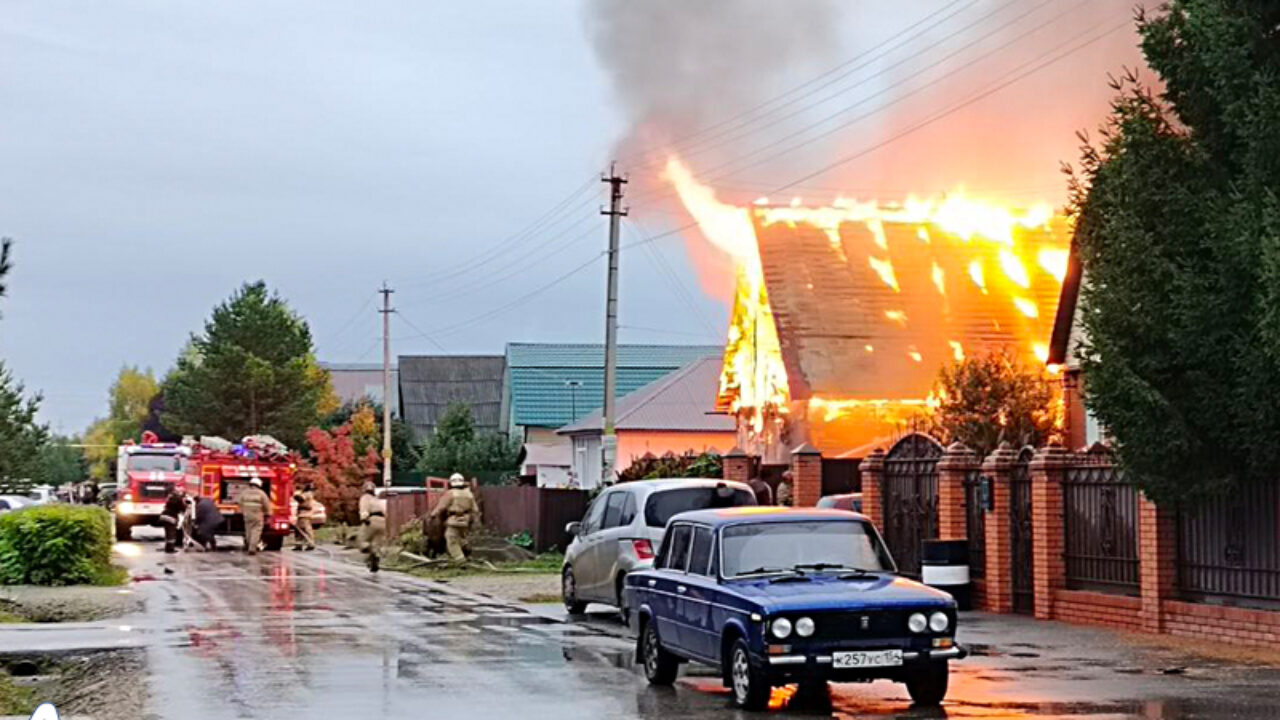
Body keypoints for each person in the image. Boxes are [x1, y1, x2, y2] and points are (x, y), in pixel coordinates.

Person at [430, 473, 479, 563]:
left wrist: (433, 514)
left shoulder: (450, 493)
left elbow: (441, 506)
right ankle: (467, 550)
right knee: (461, 538)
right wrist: (474, 520)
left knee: (451, 539)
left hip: (454, 520)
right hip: (465, 521)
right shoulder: (469, 494)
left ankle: (460, 561)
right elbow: (475, 509)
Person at [237, 478, 272, 555]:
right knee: (256, 531)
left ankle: (249, 544)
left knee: (248, 531)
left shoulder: (244, 493)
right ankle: (252, 548)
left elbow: (238, 501)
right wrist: (268, 514)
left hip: (247, 515)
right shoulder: (261, 493)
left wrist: (242, 510)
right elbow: (266, 504)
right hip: (257, 515)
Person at [358, 481, 387, 572]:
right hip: (383, 522)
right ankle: (376, 556)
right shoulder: (377, 500)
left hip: (372, 520)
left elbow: (364, 509)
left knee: (363, 540)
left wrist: (364, 519)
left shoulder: (365, 498)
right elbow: (385, 511)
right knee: (377, 542)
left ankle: (371, 554)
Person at [160, 487, 185, 554]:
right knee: (171, 533)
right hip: (170, 517)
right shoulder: (178, 499)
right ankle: (170, 549)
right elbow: (182, 508)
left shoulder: (170, 498)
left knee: (168, 533)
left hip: (164, 515)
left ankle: (167, 547)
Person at [292, 483, 316, 551]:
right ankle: (299, 545)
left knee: (303, 530)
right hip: (306, 514)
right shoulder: (311, 494)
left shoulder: (307, 494)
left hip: (304, 514)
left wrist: (295, 494)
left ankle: (310, 543)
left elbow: (300, 498)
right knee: (302, 530)